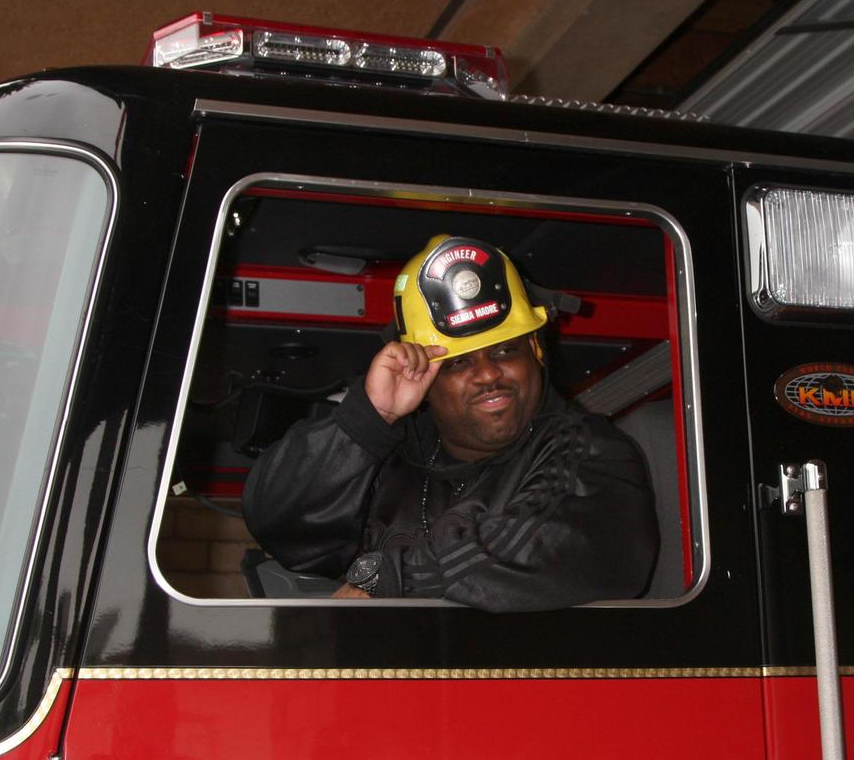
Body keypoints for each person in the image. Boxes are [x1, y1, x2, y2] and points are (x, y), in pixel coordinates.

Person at [242, 234, 659, 612]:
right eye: (458, 362)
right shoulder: (395, 458)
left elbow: (547, 552)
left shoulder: (591, 454)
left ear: (535, 348)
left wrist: (388, 579)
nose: (487, 375)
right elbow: (282, 529)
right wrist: (368, 420)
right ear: (426, 377)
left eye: (503, 351)